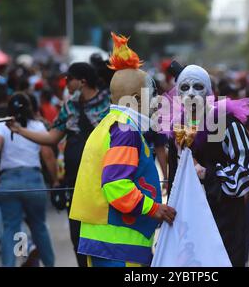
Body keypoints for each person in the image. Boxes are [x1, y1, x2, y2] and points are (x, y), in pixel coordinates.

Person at [69, 33, 176, 267]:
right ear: (138, 98)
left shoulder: (112, 124)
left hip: (111, 245)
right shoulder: (126, 130)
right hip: (118, 248)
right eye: (153, 93)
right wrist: (154, 208)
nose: (157, 100)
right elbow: (116, 186)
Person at [7, 62, 110, 267]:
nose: (65, 83)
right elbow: (52, 137)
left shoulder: (108, 102)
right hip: (74, 182)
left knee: (102, 232)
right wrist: (19, 130)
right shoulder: (69, 106)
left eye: (68, 78)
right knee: (77, 234)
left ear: (82, 81)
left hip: (104, 180)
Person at [166, 64, 249, 267]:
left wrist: (206, 173)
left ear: (208, 91)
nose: (190, 94)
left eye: (197, 86)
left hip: (224, 222)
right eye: (184, 88)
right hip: (190, 224)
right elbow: (174, 179)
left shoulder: (228, 124)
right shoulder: (177, 128)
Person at [0, 93, 58, 267]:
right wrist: (55, 181)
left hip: (8, 182)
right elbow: (48, 156)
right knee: (39, 226)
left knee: (10, 228)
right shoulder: (37, 126)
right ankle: (49, 264)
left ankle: (9, 264)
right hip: (34, 182)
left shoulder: (2, 127)